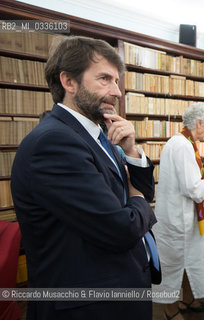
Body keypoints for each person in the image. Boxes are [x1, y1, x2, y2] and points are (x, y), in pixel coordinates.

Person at [10, 36, 159, 319]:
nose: (117, 92)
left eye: (117, 81)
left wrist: (132, 152)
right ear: (69, 82)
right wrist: (137, 197)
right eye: (105, 79)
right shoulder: (54, 143)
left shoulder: (99, 134)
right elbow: (121, 229)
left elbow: (142, 191)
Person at [152, 102, 204, 320]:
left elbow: (186, 175)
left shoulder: (180, 141)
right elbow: (193, 189)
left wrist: (202, 170)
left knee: (185, 263)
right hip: (177, 220)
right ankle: (170, 311)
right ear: (198, 123)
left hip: (176, 217)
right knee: (174, 266)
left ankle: (187, 298)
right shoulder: (184, 146)